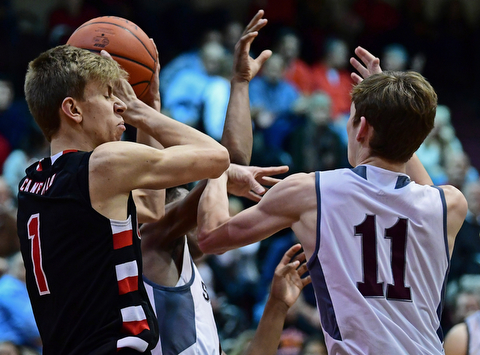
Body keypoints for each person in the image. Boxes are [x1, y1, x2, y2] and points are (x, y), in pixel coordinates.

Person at [196, 46, 468, 354]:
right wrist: (397, 115)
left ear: (362, 128)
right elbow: (418, 180)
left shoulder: (311, 192)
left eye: (352, 120)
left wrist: (217, 167)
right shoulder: (450, 205)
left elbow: (210, 236)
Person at [17, 36, 230, 354]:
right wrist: (142, 113)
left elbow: (149, 206)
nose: (119, 104)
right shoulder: (102, 165)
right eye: (107, 96)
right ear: (73, 109)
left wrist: (152, 102)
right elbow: (216, 157)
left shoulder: (33, 184)